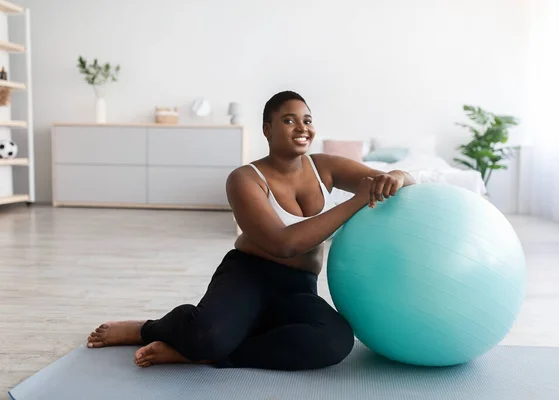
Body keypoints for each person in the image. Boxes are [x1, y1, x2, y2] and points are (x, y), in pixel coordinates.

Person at [86, 91, 417, 370]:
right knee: (207, 336)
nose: (302, 127)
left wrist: (399, 177)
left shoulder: (325, 167)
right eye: (289, 120)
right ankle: (148, 329)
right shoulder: (244, 179)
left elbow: (400, 181)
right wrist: (358, 199)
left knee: (334, 341)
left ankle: (207, 357)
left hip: (298, 287)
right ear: (267, 128)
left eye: (307, 119)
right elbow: (284, 244)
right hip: (248, 276)